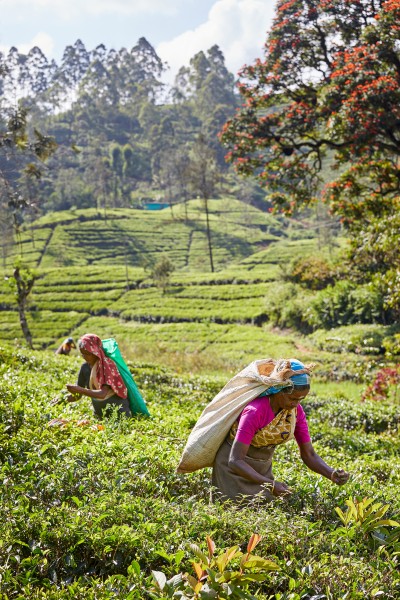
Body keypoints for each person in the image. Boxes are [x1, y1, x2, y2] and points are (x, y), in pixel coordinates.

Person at [211, 358, 349, 503]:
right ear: (278, 390)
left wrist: (331, 473)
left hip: (261, 472)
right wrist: (270, 484)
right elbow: (235, 460)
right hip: (232, 473)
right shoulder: (255, 411)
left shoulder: (295, 412)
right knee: (232, 514)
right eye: (292, 398)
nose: (296, 404)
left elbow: (309, 454)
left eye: (300, 400)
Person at [65, 333, 132, 419]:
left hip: (118, 414)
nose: (84, 357)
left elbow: (102, 394)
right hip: (100, 414)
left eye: (87, 353)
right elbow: (78, 395)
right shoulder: (85, 368)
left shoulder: (107, 366)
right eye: (82, 353)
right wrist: (63, 400)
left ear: (95, 351)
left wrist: (81, 390)